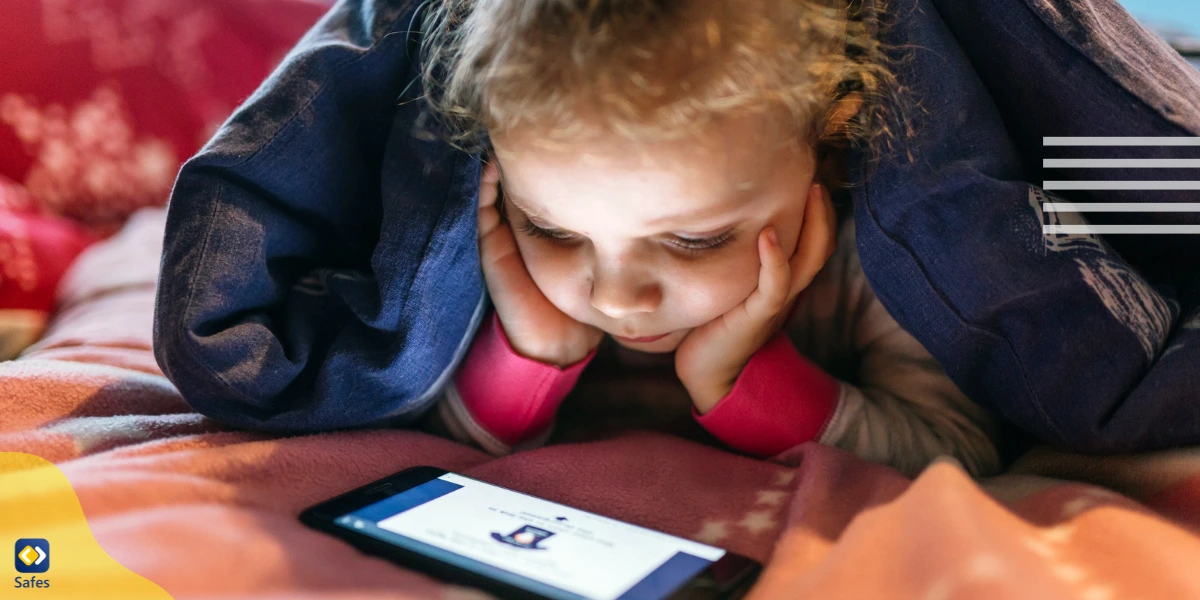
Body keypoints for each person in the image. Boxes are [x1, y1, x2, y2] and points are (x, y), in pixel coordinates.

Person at [416, 0, 1002, 477]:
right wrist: (533, 353)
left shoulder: (881, 264)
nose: (614, 299)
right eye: (553, 230)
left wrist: (741, 376)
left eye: (695, 240)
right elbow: (419, 454)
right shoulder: (497, 259)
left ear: (827, 149)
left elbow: (958, 456)